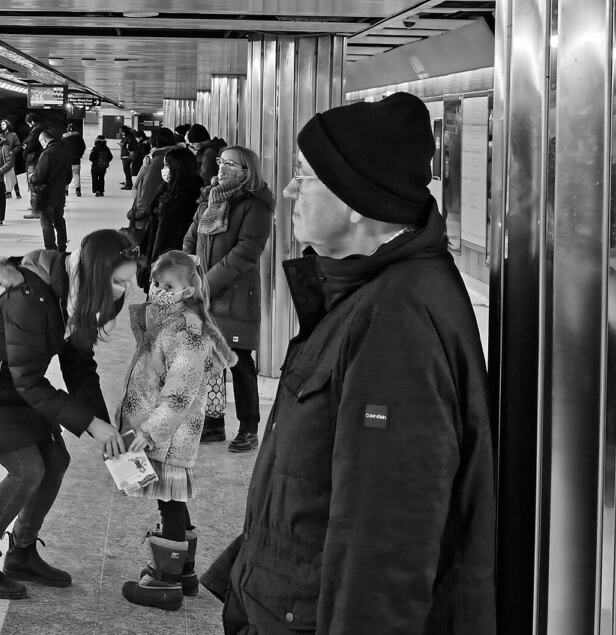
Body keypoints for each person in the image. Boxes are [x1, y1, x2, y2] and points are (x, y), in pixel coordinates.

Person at [204, 92, 495, 634]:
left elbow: (385, 539)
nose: (289, 189)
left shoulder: (397, 324)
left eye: (303, 175)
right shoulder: (369, 294)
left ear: (356, 197)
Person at [0, 230, 140, 599]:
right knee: (27, 469)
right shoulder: (31, 297)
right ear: (95, 273)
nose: (122, 290)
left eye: (126, 281)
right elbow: (31, 382)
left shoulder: (75, 294)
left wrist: (104, 426)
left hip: (11, 386)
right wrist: (89, 424)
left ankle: (22, 551)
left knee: (55, 458)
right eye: (117, 281)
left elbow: (79, 366)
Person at [117, 250, 233, 611]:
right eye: (155, 283)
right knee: (172, 502)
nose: (158, 290)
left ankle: (163, 582)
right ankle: (184, 572)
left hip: (168, 435)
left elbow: (180, 395)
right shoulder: (167, 322)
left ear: (189, 289)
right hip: (160, 432)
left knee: (169, 503)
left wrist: (149, 431)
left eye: (168, 285)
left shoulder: (187, 332)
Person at [183, 145, 275, 451]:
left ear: (246, 172)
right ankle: (214, 423)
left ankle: (249, 427)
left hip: (235, 296)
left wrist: (205, 284)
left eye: (231, 165)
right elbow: (192, 236)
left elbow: (246, 253)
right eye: (221, 162)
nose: (221, 168)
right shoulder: (211, 199)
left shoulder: (255, 206)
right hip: (204, 294)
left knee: (238, 361)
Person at [139, 147, 204, 291]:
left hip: (173, 265)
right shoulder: (167, 190)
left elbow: (186, 238)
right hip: (157, 260)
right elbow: (153, 228)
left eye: (167, 166)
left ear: (178, 168)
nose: (164, 169)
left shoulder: (192, 197)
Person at [126, 127, 179, 246]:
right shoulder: (180, 157)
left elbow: (148, 188)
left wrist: (139, 212)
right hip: (171, 209)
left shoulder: (157, 160)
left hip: (153, 212)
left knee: (145, 243)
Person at [29, 128, 71, 252]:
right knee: (59, 221)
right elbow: (69, 176)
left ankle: (50, 249)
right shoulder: (64, 152)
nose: (42, 145)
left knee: (46, 222)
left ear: (45, 140)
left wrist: (32, 178)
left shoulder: (47, 153)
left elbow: (39, 175)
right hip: (59, 194)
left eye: (41, 142)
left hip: (46, 194)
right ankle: (62, 246)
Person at [22, 113, 49, 219]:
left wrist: (25, 152)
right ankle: (35, 206)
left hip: (34, 160)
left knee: (33, 183)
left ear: (32, 121)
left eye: (29, 123)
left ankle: (36, 209)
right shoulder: (41, 129)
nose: (29, 125)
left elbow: (30, 144)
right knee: (34, 184)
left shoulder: (36, 130)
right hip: (35, 159)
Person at [0, 118, 23, 199]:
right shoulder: (0, 135)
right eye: (1, 124)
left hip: (10, 156)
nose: (2, 126)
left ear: (7, 125)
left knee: (12, 173)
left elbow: (18, 145)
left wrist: (12, 152)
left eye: (3, 124)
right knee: (4, 174)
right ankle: (7, 192)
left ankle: (17, 192)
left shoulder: (13, 135)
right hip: (2, 157)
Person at [62, 123, 86, 197]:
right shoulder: (79, 138)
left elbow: (61, 149)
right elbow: (83, 147)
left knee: (65, 175)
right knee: (76, 175)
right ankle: (77, 189)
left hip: (66, 160)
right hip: (76, 159)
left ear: (67, 129)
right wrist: (80, 155)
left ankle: (66, 190)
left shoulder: (64, 139)